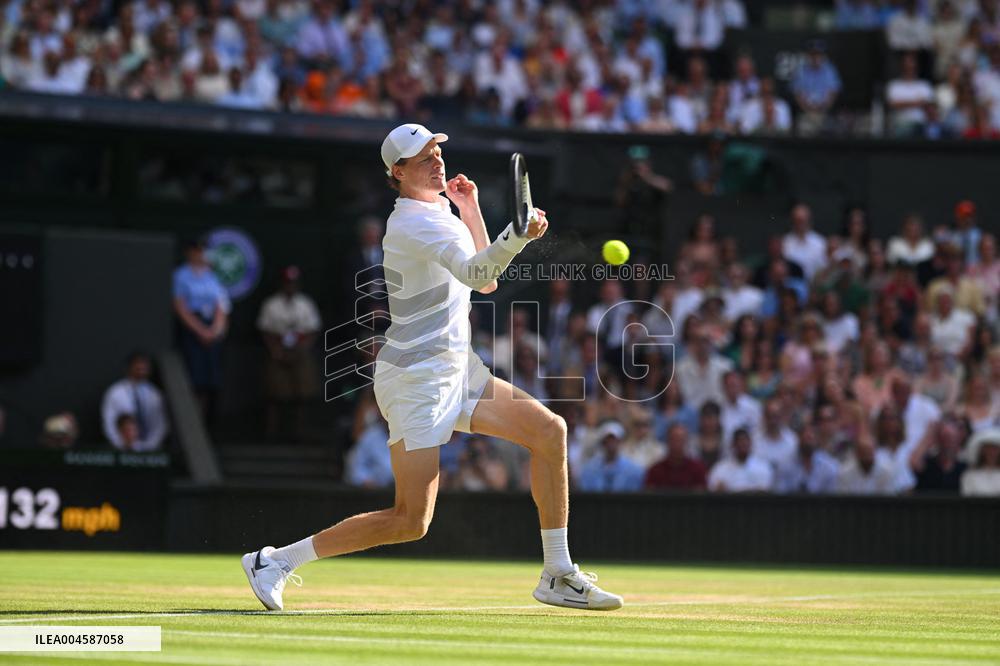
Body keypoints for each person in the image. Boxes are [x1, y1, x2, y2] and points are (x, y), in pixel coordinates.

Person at [242, 124, 622, 612]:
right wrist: (517, 235)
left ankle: (558, 572)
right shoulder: (412, 224)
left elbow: (483, 282)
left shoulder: (441, 212)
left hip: (458, 369)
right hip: (416, 378)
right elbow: (478, 271)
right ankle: (275, 561)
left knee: (550, 431)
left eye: (438, 151)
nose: (438, 160)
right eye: (424, 158)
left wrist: (470, 209)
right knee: (410, 521)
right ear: (398, 173)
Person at [256, 266, 322, 441]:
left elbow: (313, 330)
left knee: (303, 392)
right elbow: (265, 330)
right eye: (287, 283)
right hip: (278, 350)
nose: (290, 287)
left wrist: (303, 349)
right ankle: (272, 432)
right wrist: (274, 350)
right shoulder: (271, 304)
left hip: (300, 350)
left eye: (293, 283)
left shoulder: (305, 304)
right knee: (275, 392)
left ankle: (300, 431)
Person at [173, 237, 230, 424]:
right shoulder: (181, 275)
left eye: (202, 250)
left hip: (211, 330)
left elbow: (221, 306)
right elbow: (180, 307)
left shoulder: (212, 276)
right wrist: (200, 331)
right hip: (192, 331)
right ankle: (190, 422)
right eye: (196, 250)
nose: (200, 254)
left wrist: (215, 330)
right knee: (194, 379)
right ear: (189, 253)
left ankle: (205, 422)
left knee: (210, 381)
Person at [101, 351, 170, 452]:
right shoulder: (115, 392)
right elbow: (108, 422)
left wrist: (149, 446)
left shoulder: (155, 394)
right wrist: (121, 445)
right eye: (138, 364)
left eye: (144, 365)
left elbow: (160, 424)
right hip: (122, 450)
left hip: (151, 450)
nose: (141, 368)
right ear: (129, 367)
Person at [579, 420, 645, 493]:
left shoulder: (634, 471)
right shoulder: (589, 470)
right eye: (607, 440)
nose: (611, 444)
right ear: (602, 443)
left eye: (614, 440)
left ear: (620, 442)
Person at [644, 423, 707, 490]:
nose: (677, 443)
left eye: (680, 439)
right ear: (667, 441)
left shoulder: (697, 469)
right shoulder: (655, 471)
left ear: (686, 442)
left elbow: (702, 493)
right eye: (674, 439)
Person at [707, 428, 773, 492]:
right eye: (740, 442)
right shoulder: (720, 469)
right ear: (733, 445)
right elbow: (714, 488)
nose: (743, 445)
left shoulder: (762, 467)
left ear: (750, 443)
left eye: (745, 442)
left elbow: (764, 490)